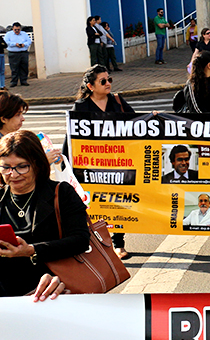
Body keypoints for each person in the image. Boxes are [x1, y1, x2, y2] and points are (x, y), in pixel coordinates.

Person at [0, 130, 89, 298]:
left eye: (21, 166)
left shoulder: (61, 193)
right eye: (6, 167)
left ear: (37, 164)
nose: (13, 174)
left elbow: (80, 240)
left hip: (53, 291)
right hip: (7, 297)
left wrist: (32, 250)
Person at [72, 65, 134, 257]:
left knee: (119, 202)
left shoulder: (117, 101)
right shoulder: (81, 107)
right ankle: (97, 243)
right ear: (90, 86)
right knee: (95, 205)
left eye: (109, 80)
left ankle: (119, 242)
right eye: (103, 81)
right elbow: (72, 137)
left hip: (118, 161)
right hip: (91, 165)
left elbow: (137, 121)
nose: (108, 84)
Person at [4, 22, 32, 87]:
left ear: (20, 29)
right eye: (15, 30)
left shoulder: (24, 34)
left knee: (24, 67)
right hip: (13, 53)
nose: (17, 31)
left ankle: (24, 81)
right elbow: (6, 42)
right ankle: (14, 82)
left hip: (23, 52)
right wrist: (15, 44)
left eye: (18, 30)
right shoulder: (9, 34)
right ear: (13, 29)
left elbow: (29, 41)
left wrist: (24, 44)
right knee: (14, 68)